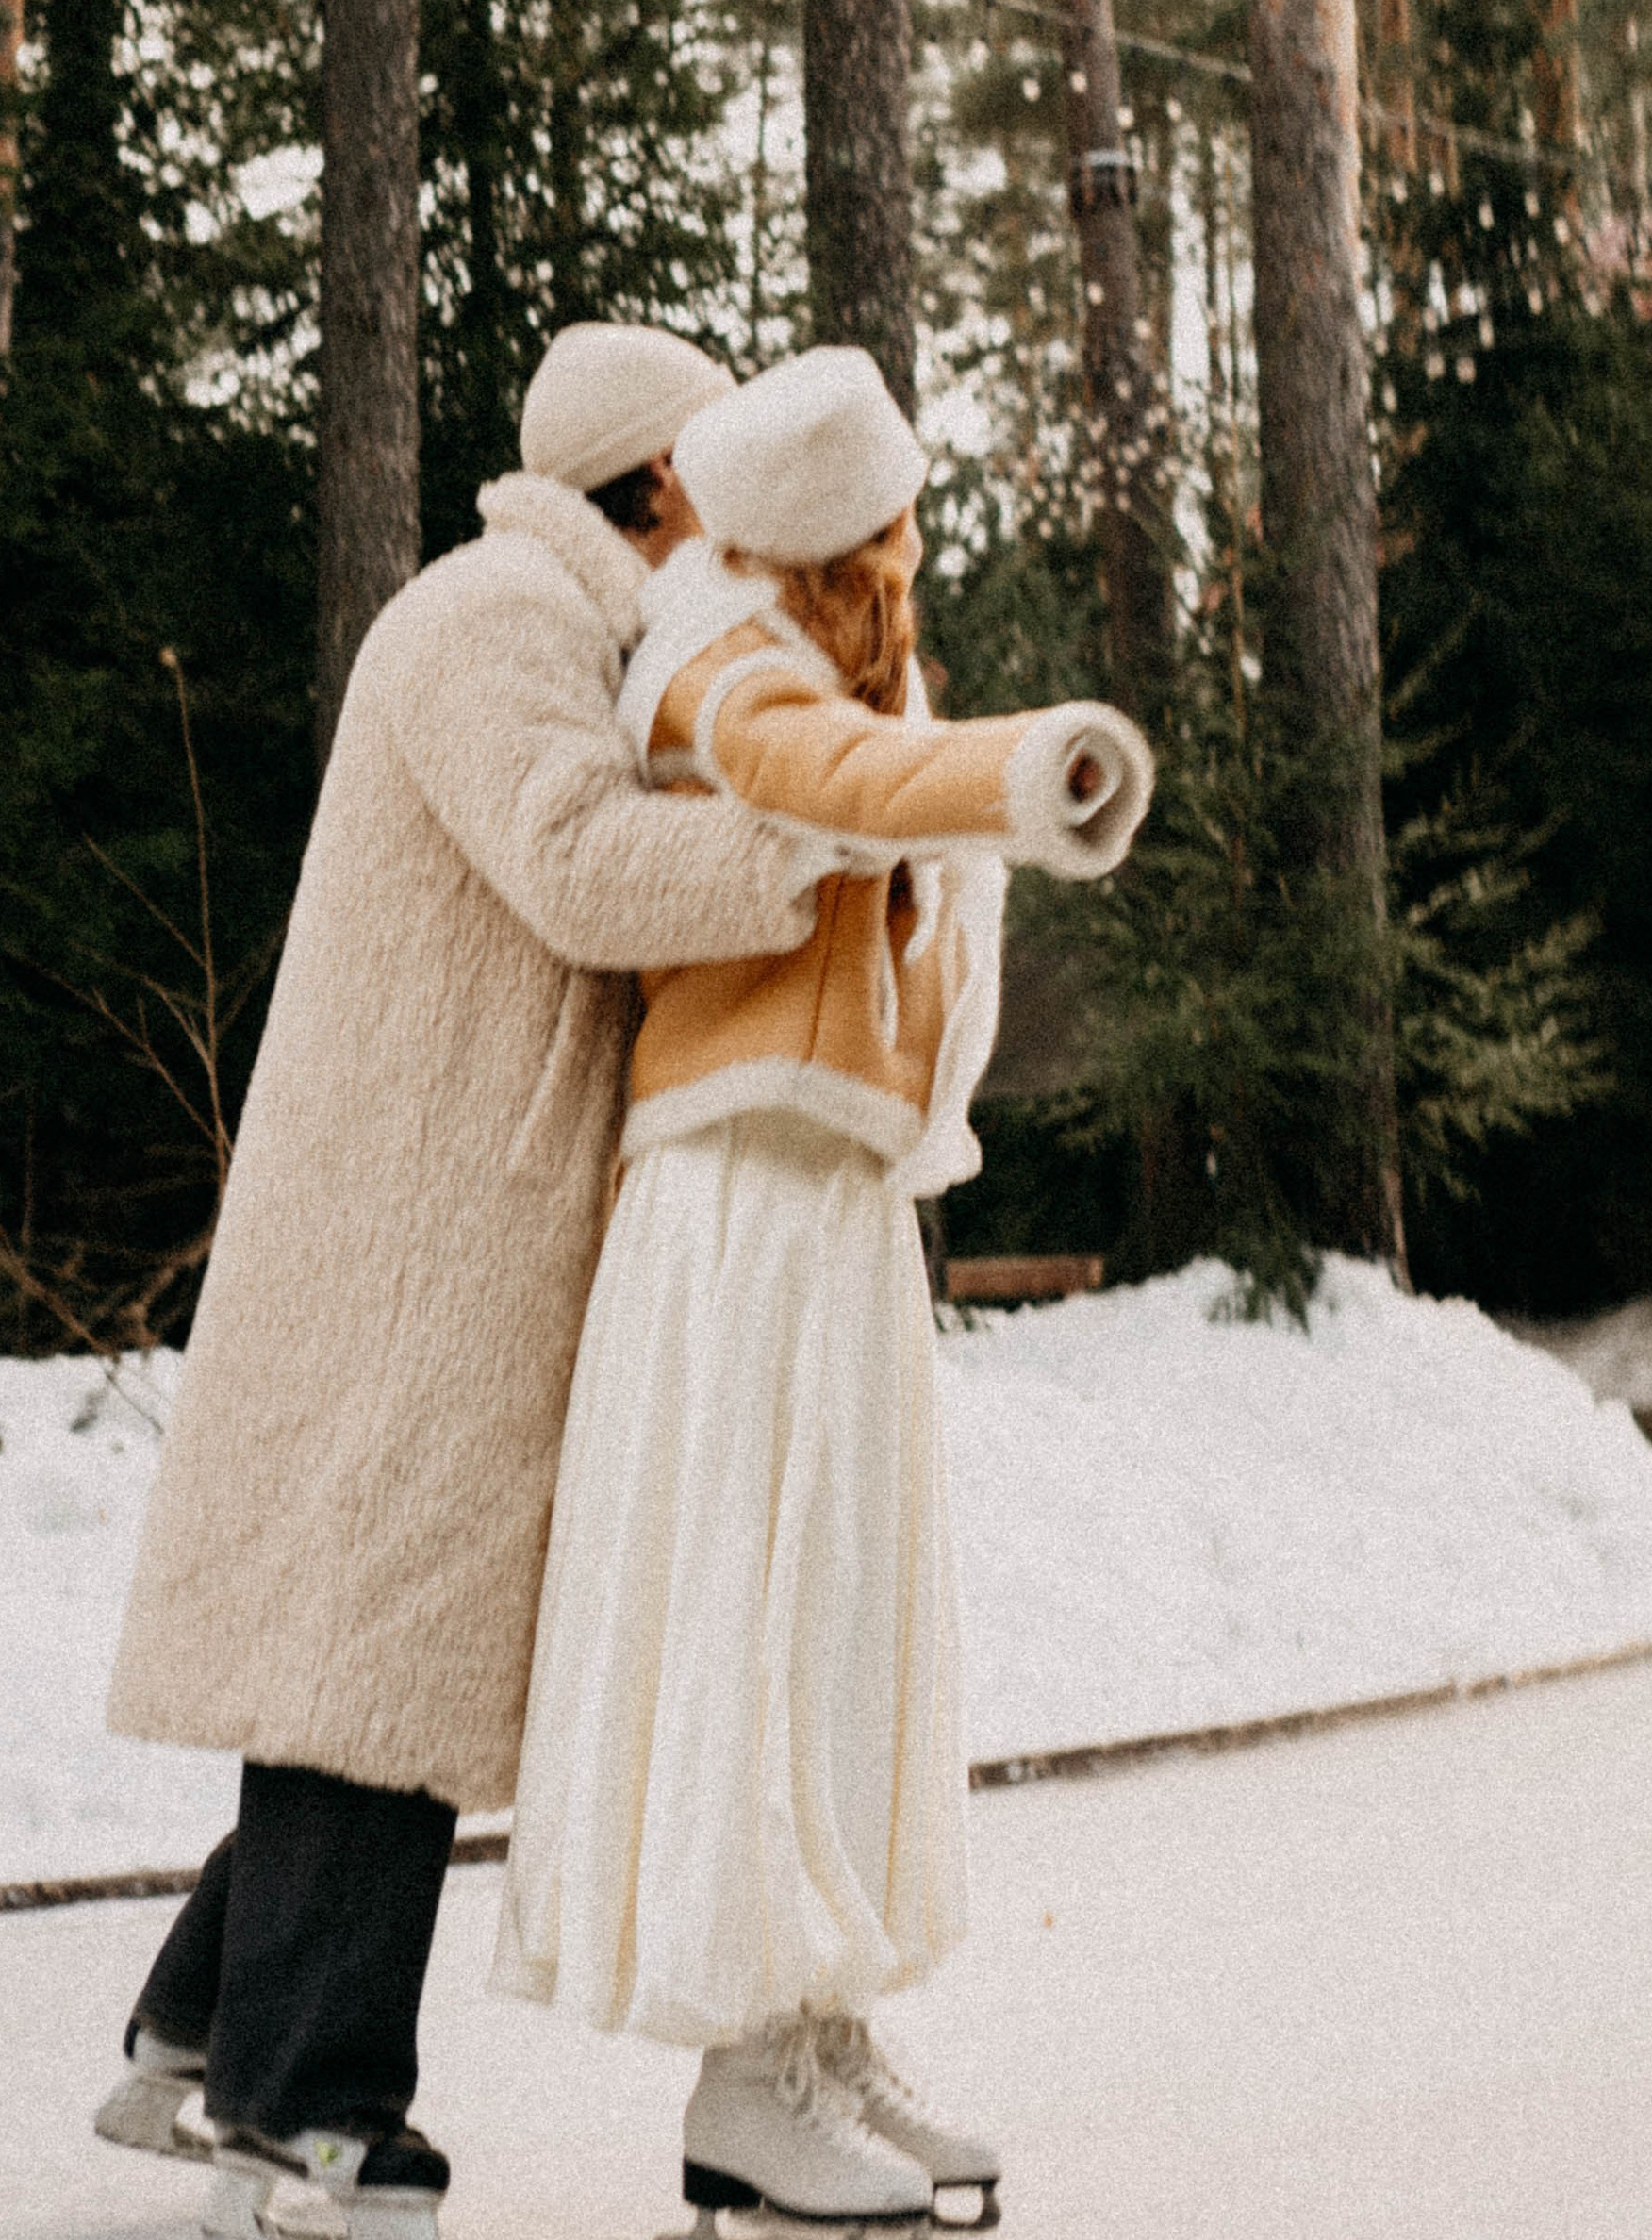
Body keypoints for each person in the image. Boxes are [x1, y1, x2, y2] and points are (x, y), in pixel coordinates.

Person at [95, 324, 834, 2240]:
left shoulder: (556, 623)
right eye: (722, 489)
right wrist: (810, 862)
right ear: (657, 482)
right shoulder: (494, 616)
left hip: (446, 1217)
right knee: (378, 1659)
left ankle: (197, 2031)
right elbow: (577, 861)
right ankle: (304, 2108)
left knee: (376, 1647)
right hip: (412, 1236)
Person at [490, 346, 1153, 2232]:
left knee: (843, 1611)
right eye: (883, 526)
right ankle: (739, 2074)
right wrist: (1019, 772)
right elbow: (828, 779)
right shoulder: (717, 654)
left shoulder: (830, 643)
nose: (902, 555)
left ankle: (814, 2023)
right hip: (737, 1199)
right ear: (831, 533)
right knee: (761, 1605)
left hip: (828, 1189)